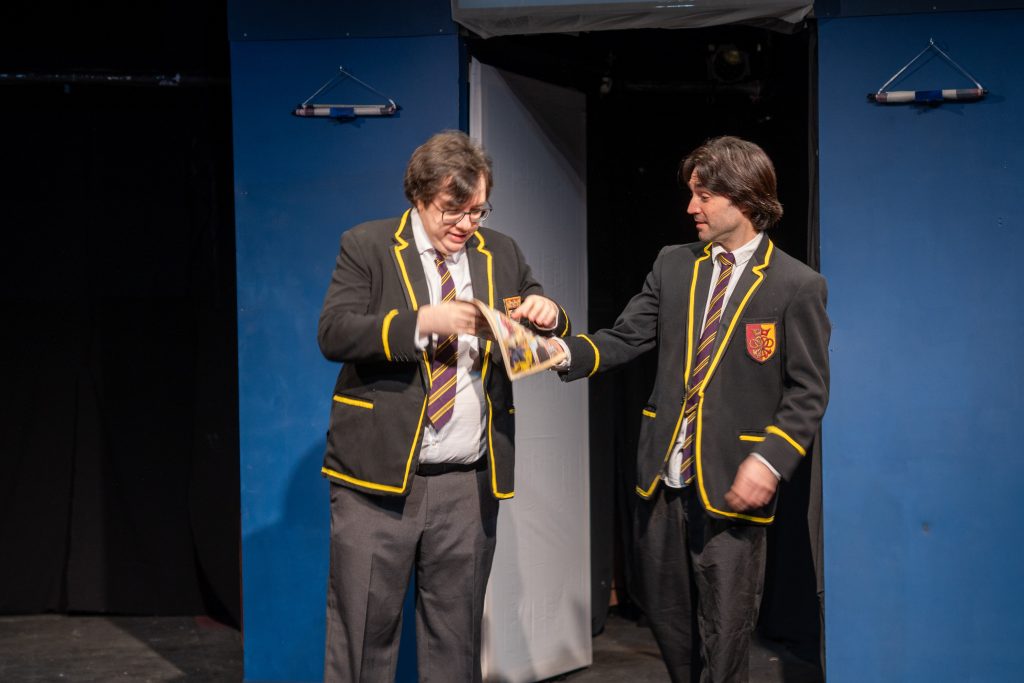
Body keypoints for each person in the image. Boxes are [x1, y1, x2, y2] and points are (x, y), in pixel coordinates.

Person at [552, 136, 830, 682]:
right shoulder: (675, 264)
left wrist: (770, 461)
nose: (691, 207)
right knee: (672, 626)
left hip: (732, 481)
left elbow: (808, 390)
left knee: (725, 633)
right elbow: (625, 337)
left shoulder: (796, 284)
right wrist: (560, 352)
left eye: (703, 196)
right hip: (663, 479)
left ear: (743, 198)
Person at [317, 130, 570, 682]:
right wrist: (422, 323)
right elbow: (334, 332)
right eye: (453, 210)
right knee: (362, 641)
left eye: (478, 210)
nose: (467, 224)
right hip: (378, 480)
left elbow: (535, 310)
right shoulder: (368, 245)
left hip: (467, 483)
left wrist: (547, 312)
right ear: (419, 195)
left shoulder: (500, 250)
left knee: (456, 647)